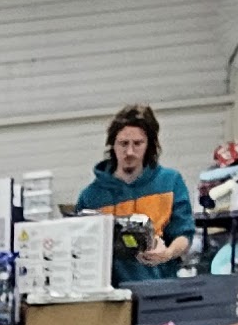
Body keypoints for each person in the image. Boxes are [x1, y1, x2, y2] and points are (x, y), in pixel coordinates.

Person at [77, 105, 195, 274]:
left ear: (149, 145)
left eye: (138, 143)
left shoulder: (170, 182)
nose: (130, 152)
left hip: (161, 284)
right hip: (112, 288)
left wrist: (167, 253)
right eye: (123, 143)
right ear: (112, 144)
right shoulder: (91, 197)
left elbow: (184, 234)